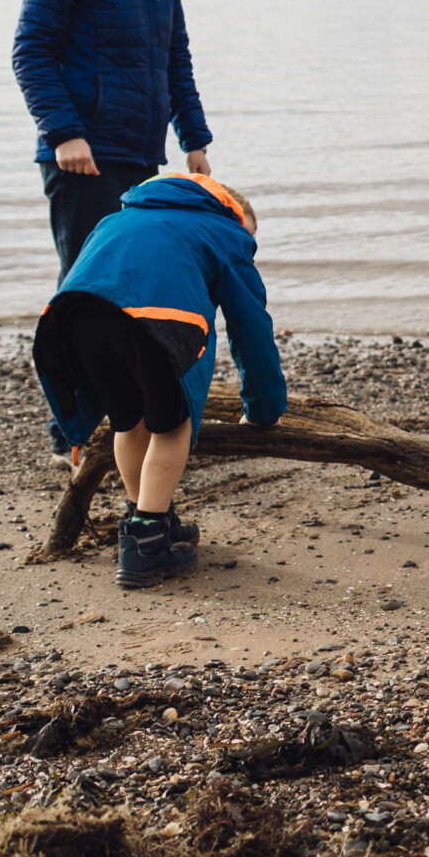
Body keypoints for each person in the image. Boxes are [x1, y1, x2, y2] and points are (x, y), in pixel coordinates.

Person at [12, 0, 214, 462]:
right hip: (80, 155)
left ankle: (127, 426)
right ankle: (71, 438)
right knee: (85, 294)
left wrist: (195, 138)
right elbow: (32, 51)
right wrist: (63, 132)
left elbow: (174, 58)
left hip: (138, 155)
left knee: (131, 289)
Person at [33, 174, 287, 589]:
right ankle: (147, 546)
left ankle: (145, 517)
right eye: (252, 242)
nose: (250, 251)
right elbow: (250, 327)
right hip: (155, 321)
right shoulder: (226, 230)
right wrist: (263, 410)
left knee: (128, 418)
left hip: (73, 320)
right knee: (172, 425)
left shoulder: (118, 218)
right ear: (236, 215)